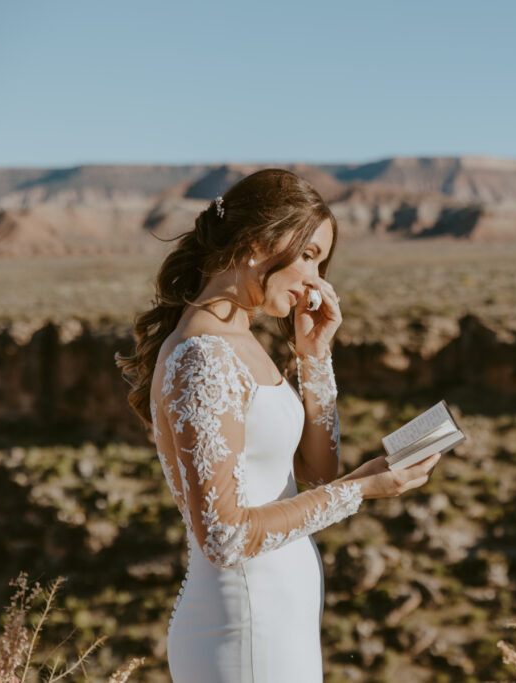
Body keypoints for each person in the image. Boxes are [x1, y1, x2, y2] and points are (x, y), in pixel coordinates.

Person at [117, 169, 439, 682]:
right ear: (256, 244)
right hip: (242, 627)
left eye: (322, 261)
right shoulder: (203, 355)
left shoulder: (241, 338)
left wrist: (314, 355)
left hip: (275, 620)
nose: (318, 279)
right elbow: (222, 537)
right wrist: (361, 489)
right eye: (308, 255)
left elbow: (316, 469)